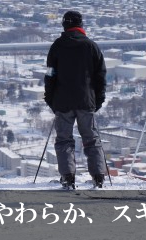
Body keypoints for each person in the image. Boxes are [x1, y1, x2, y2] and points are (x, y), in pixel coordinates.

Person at [44, 10, 108, 189]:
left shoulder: (57, 46)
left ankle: (68, 177)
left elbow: (50, 74)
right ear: (81, 25)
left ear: (64, 25)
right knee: (91, 138)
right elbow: (101, 76)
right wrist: (98, 100)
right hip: (86, 100)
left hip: (62, 101)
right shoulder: (91, 46)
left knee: (64, 139)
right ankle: (98, 177)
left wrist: (50, 99)